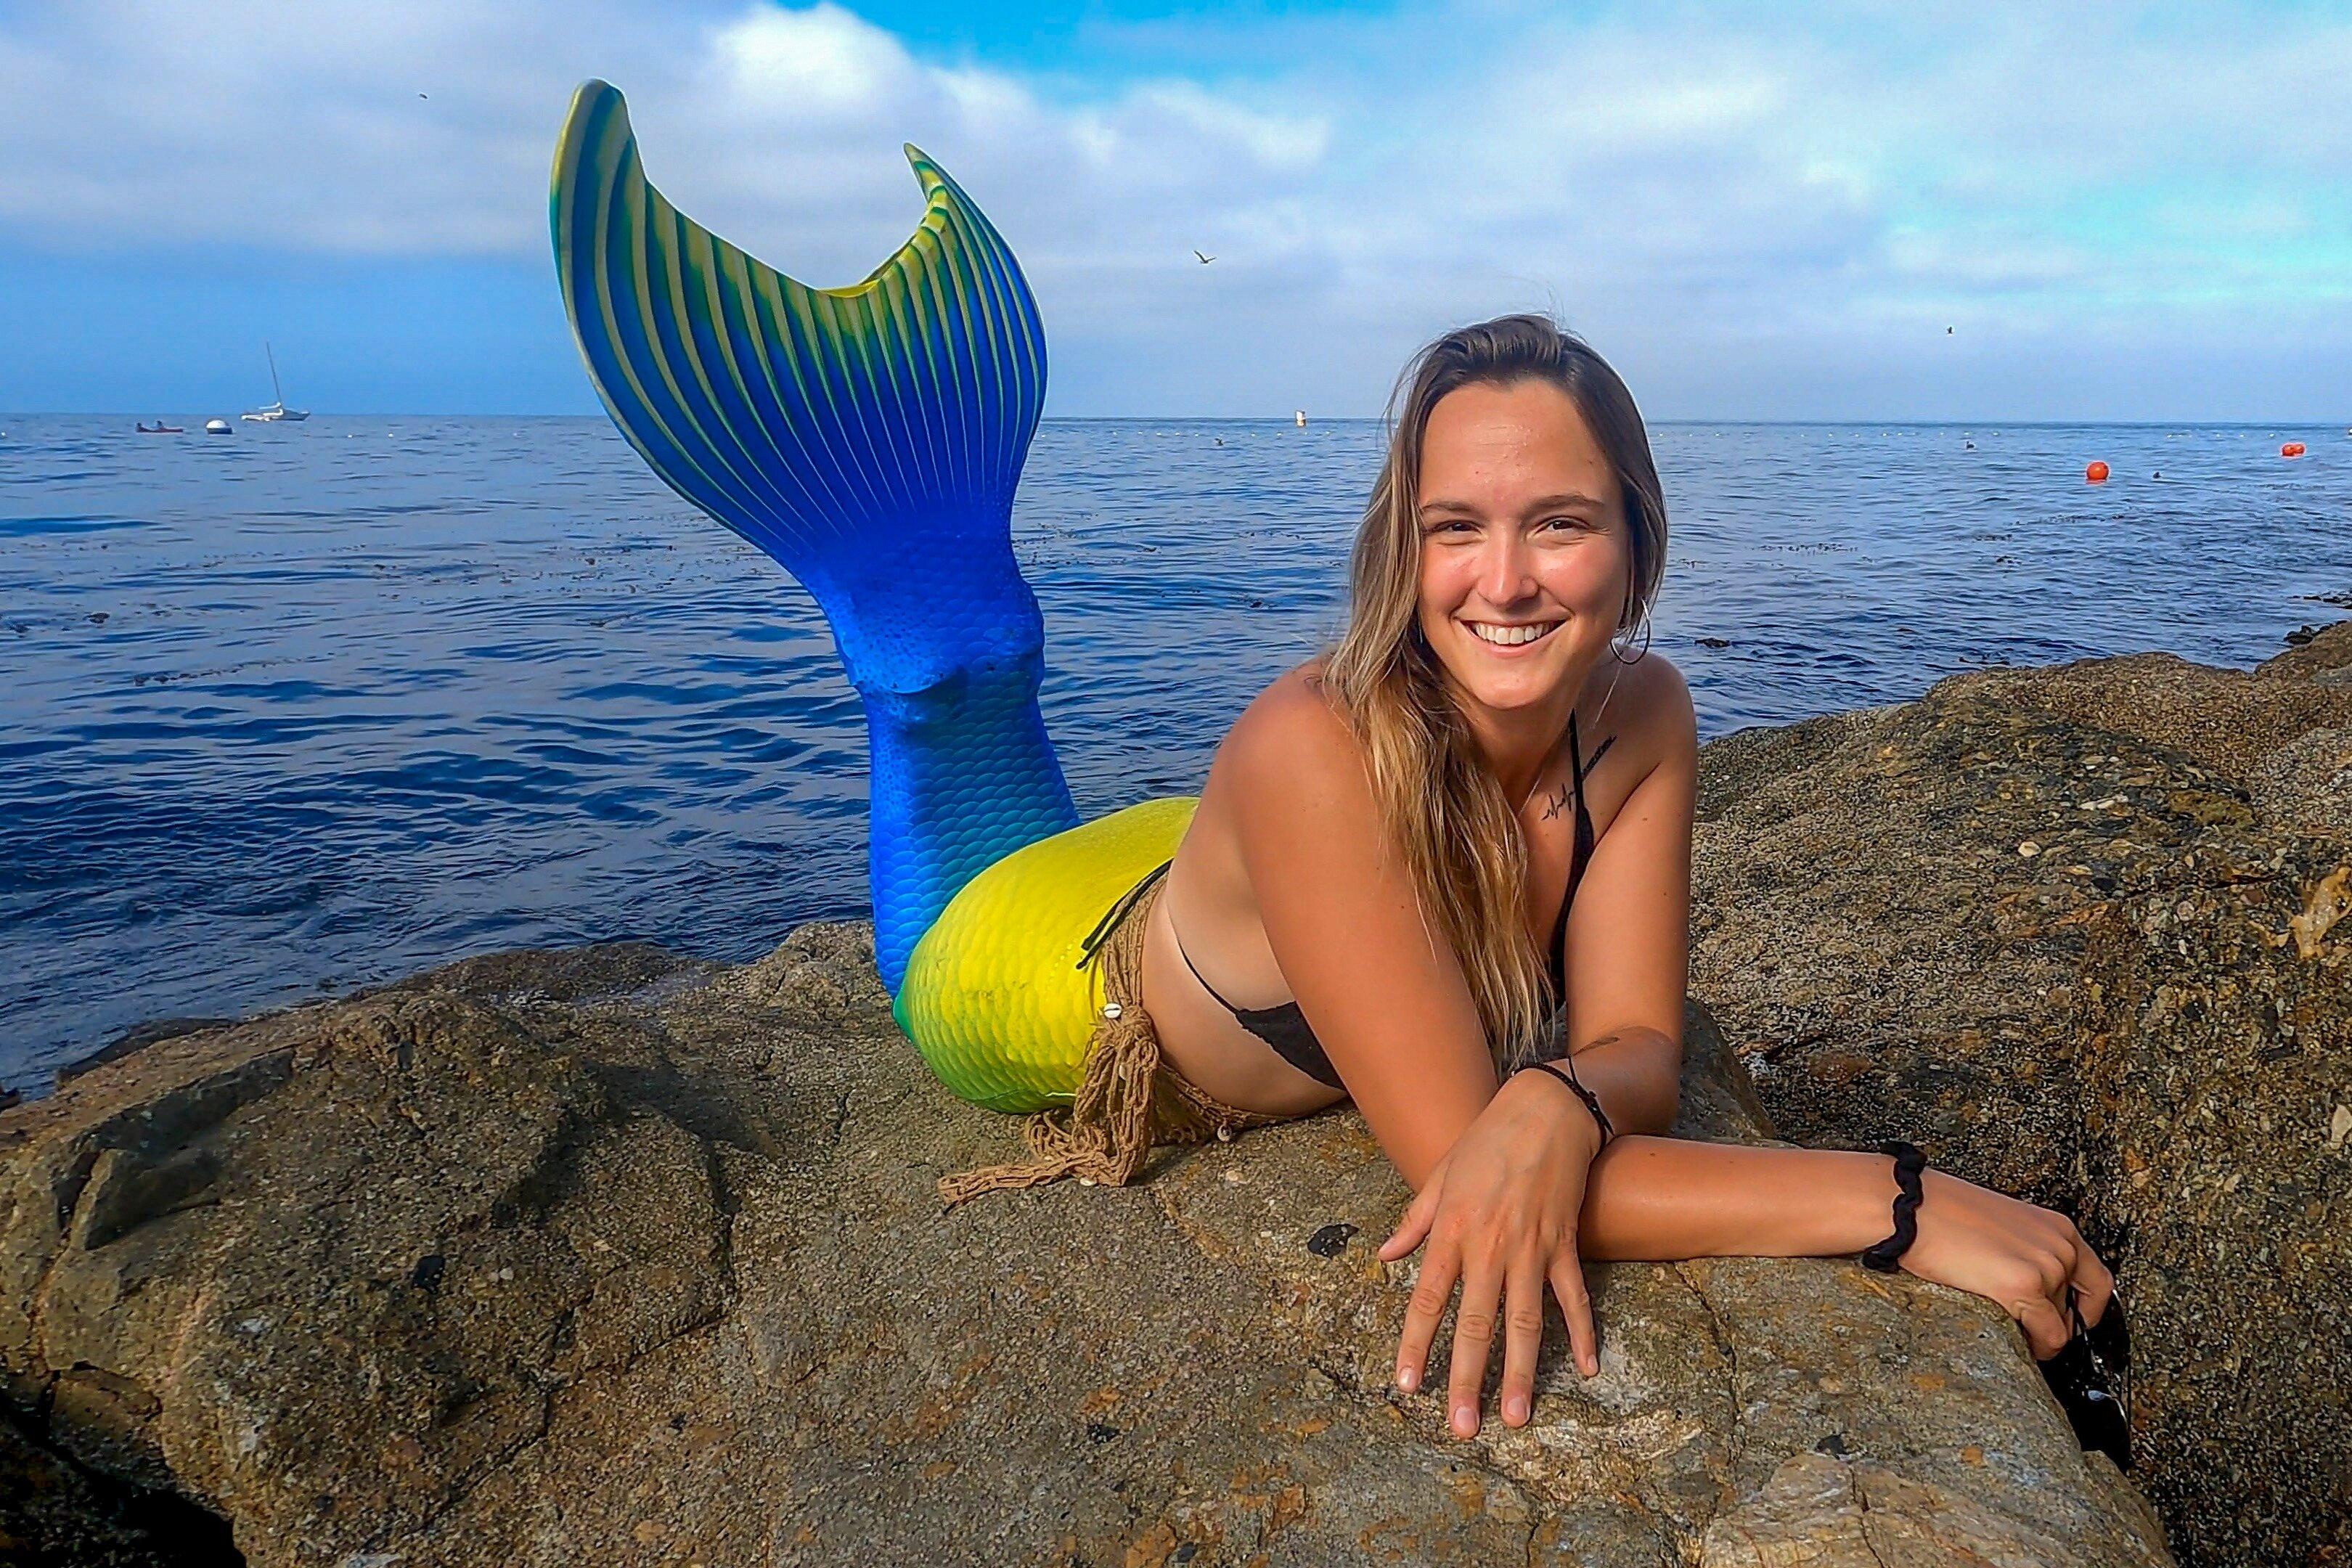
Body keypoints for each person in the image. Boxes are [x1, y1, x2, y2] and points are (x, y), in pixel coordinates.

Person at [545, 94, 2116, 1449]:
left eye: (1559, 522)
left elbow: (1633, 1038)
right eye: (1457, 529)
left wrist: (1561, 1102)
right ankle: (909, 601)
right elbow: (1458, 1168)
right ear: (1403, 551)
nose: (1506, 580)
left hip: (1215, 858)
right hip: (1030, 957)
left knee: (1080, 739)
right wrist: (1903, 1203)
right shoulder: (1318, 750)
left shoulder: (1647, 716)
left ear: (1636, 546)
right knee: (950, 678)